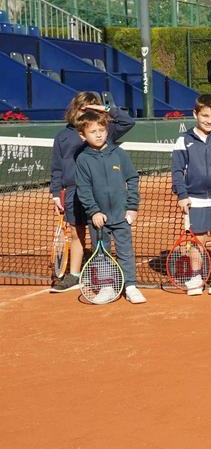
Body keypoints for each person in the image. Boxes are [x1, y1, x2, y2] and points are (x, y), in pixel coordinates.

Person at [49, 92, 135, 293]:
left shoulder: (105, 131)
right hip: (72, 192)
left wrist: (102, 110)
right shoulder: (62, 136)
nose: (85, 112)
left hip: (102, 193)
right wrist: (55, 193)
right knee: (75, 232)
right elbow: (57, 167)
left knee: (104, 234)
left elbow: (128, 121)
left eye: (91, 108)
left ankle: (115, 279)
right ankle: (75, 275)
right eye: (83, 108)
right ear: (74, 109)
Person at [73, 110, 142, 304]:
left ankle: (130, 286)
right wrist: (94, 211)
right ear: (82, 135)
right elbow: (84, 190)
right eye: (93, 131)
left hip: (121, 216)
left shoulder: (118, 153)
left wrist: (132, 207)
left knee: (126, 252)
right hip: (98, 219)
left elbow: (132, 178)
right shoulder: (82, 159)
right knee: (101, 254)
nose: (98, 134)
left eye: (101, 130)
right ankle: (106, 286)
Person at [171, 94, 211, 295]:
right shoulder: (184, 140)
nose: (209, 120)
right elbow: (177, 170)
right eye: (205, 115)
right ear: (195, 114)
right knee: (197, 240)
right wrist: (182, 194)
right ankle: (196, 277)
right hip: (194, 198)